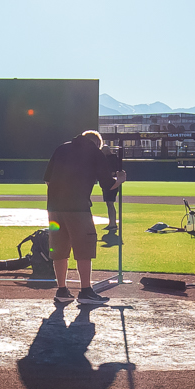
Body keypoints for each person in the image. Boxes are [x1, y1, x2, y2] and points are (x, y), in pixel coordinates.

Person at [43, 129, 125, 301]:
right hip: (78, 208)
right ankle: (86, 290)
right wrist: (120, 180)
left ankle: (62, 290)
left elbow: (48, 179)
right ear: (97, 143)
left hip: (55, 208)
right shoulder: (95, 153)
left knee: (59, 249)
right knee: (84, 249)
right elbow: (107, 185)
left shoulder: (61, 148)